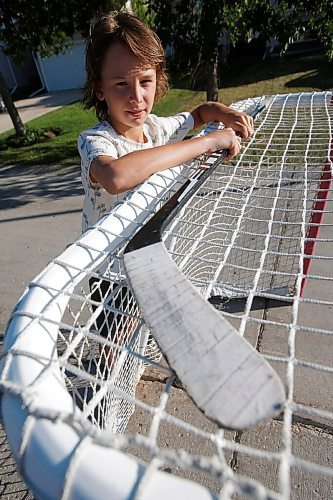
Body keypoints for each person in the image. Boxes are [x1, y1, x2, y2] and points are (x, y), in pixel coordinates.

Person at [78, 10, 254, 370]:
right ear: (99, 87)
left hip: (148, 256)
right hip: (110, 270)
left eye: (145, 81)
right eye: (120, 84)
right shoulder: (95, 141)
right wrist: (206, 144)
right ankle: (110, 384)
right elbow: (115, 176)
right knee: (113, 341)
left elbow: (201, 112)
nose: (137, 97)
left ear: (157, 78)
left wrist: (225, 113)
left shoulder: (158, 129)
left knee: (140, 320)